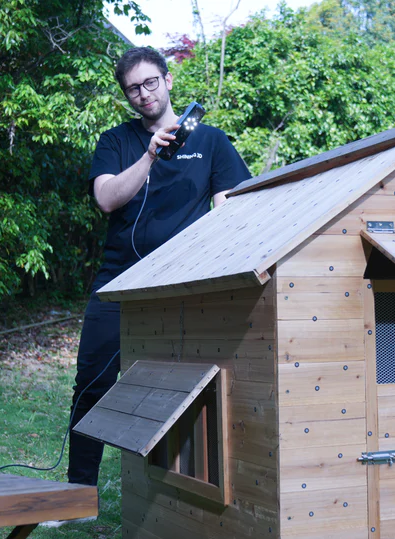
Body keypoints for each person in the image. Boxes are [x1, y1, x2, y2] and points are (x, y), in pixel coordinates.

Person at [67, 47, 252, 488]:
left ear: (168, 81)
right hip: (119, 279)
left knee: (183, 387)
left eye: (151, 82)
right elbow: (106, 198)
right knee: (92, 380)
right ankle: (78, 493)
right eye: (133, 88)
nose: (144, 94)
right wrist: (149, 155)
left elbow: (232, 208)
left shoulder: (211, 141)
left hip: (183, 283)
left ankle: (175, 491)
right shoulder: (117, 141)